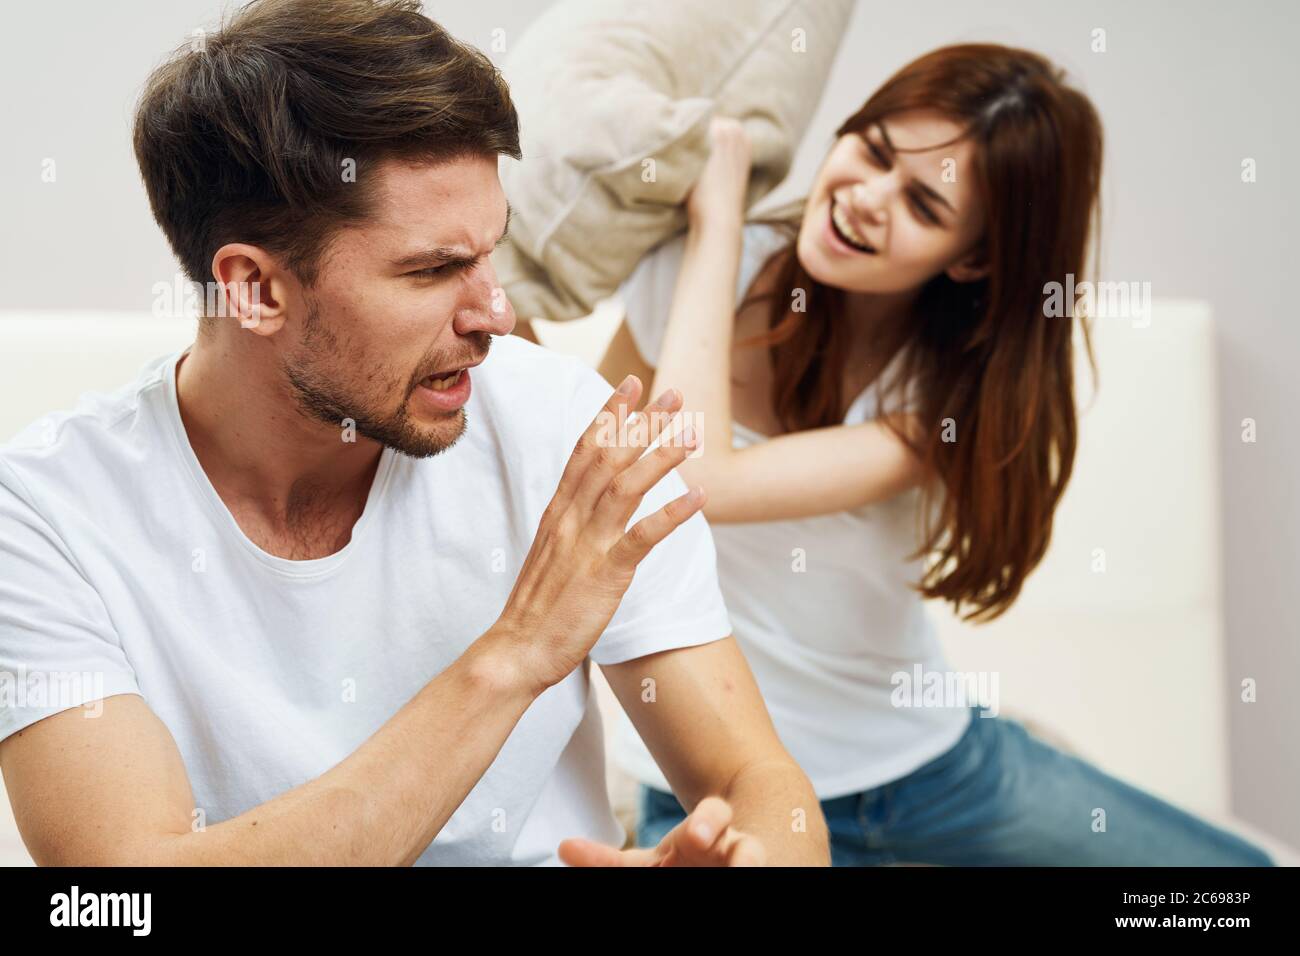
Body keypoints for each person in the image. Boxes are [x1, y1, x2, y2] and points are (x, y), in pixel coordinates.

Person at [0, 0, 828, 868]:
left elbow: (757, 780)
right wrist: (516, 654)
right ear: (253, 289)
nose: (497, 314)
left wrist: (752, 861)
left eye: (490, 253)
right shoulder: (47, 519)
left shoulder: (567, 438)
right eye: (435, 270)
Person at [601, 44, 1273, 866]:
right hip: (718, 788)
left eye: (922, 203)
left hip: (919, 770)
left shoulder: (937, 400)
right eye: (873, 152)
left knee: (1228, 885)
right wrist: (714, 240)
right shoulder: (694, 279)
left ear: (974, 257)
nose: (866, 199)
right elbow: (599, 475)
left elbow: (701, 476)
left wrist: (719, 219)